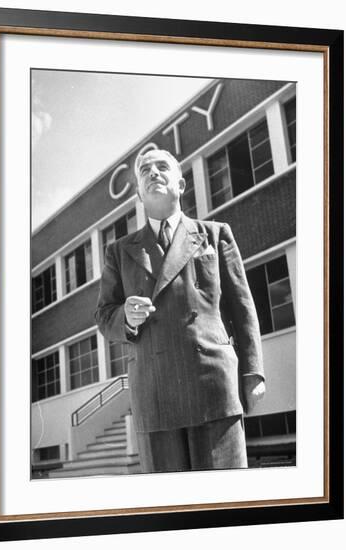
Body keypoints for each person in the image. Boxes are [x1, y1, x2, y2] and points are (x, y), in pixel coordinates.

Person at [95, 148, 265, 473]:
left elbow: (243, 308)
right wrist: (125, 318)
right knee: (169, 511)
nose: (153, 173)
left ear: (181, 184)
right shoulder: (118, 251)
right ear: (139, 193)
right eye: (145, 170)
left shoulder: (216, 234)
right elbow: (104, 316)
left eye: (162, 167)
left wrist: (252, 371)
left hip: (214, 387)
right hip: (154, 395)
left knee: (225, 505)